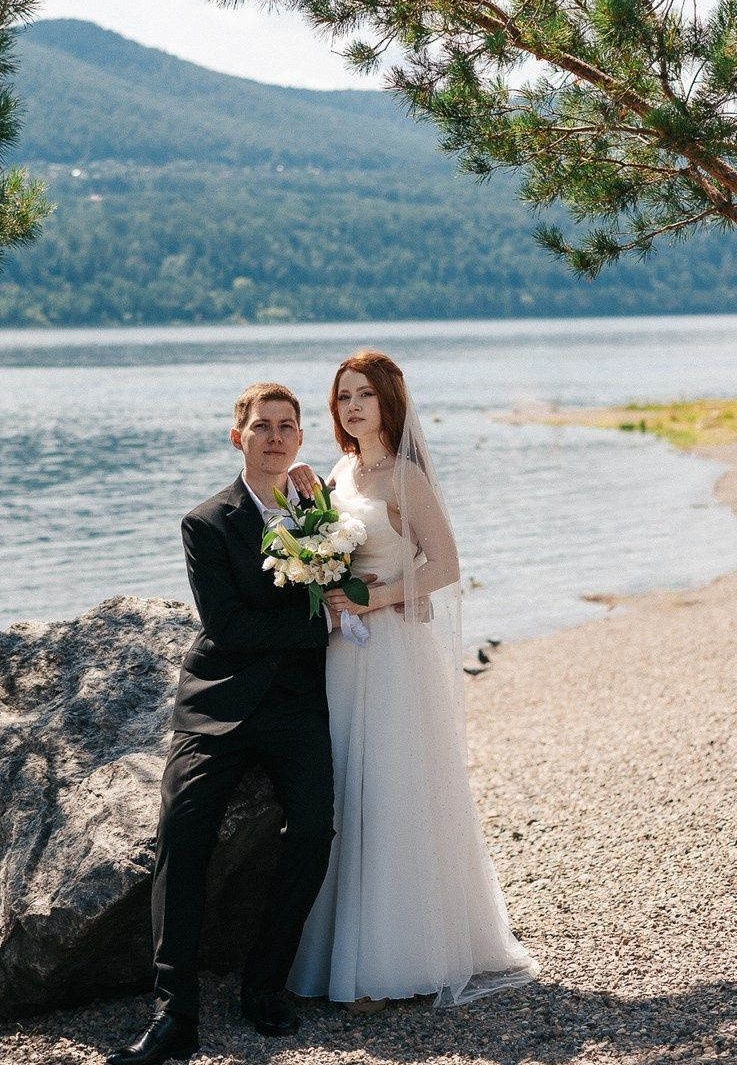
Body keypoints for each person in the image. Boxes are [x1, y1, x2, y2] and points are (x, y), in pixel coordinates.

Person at [287, 350, 539, 1010]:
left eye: (363, 395)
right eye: (343, 396)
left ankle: (399, 956)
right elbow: (327, 555)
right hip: (343, 655)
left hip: (394, 654)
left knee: (394, 791)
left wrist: (378, 597)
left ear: (388, 403)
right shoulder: (340, 472)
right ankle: (339, 951)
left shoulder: (406, 478)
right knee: (348, 791)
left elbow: (447, 565)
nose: (351, 407)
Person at [109, 383, 335, 1065]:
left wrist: (321, 580)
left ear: (299, 438)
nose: (274, 436)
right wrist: (317, 621)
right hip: (219, 702)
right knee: (182, 832)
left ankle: (264, 984)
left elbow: (348, 580)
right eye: (261, 426)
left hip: (295, 704)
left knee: (315, 826)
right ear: (237, 437)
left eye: (286, 426)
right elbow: (228, 626)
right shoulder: (206, 521)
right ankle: (175, 1014)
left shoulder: (320, 513)